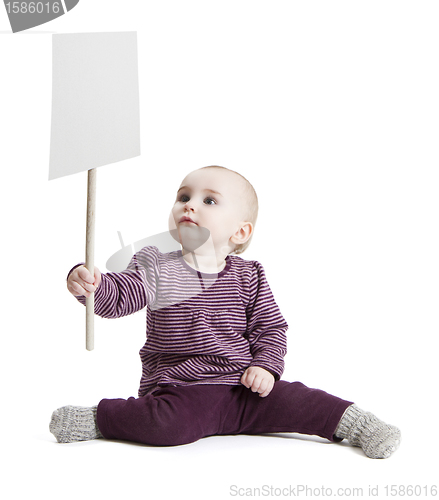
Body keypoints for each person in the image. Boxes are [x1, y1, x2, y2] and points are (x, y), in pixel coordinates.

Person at [50, 165, 401, 458]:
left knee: (303, 401)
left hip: (244, 387)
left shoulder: (249, 275)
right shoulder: (154, 266)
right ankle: (100, 418)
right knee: (165, 425)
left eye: (209, 200)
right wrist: (91, 284)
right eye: (183, 197)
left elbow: (271, 329)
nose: (190, 205)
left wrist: (265, 366)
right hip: (183, 389)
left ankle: (358, 424)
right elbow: (120, 297)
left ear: (240, 231)